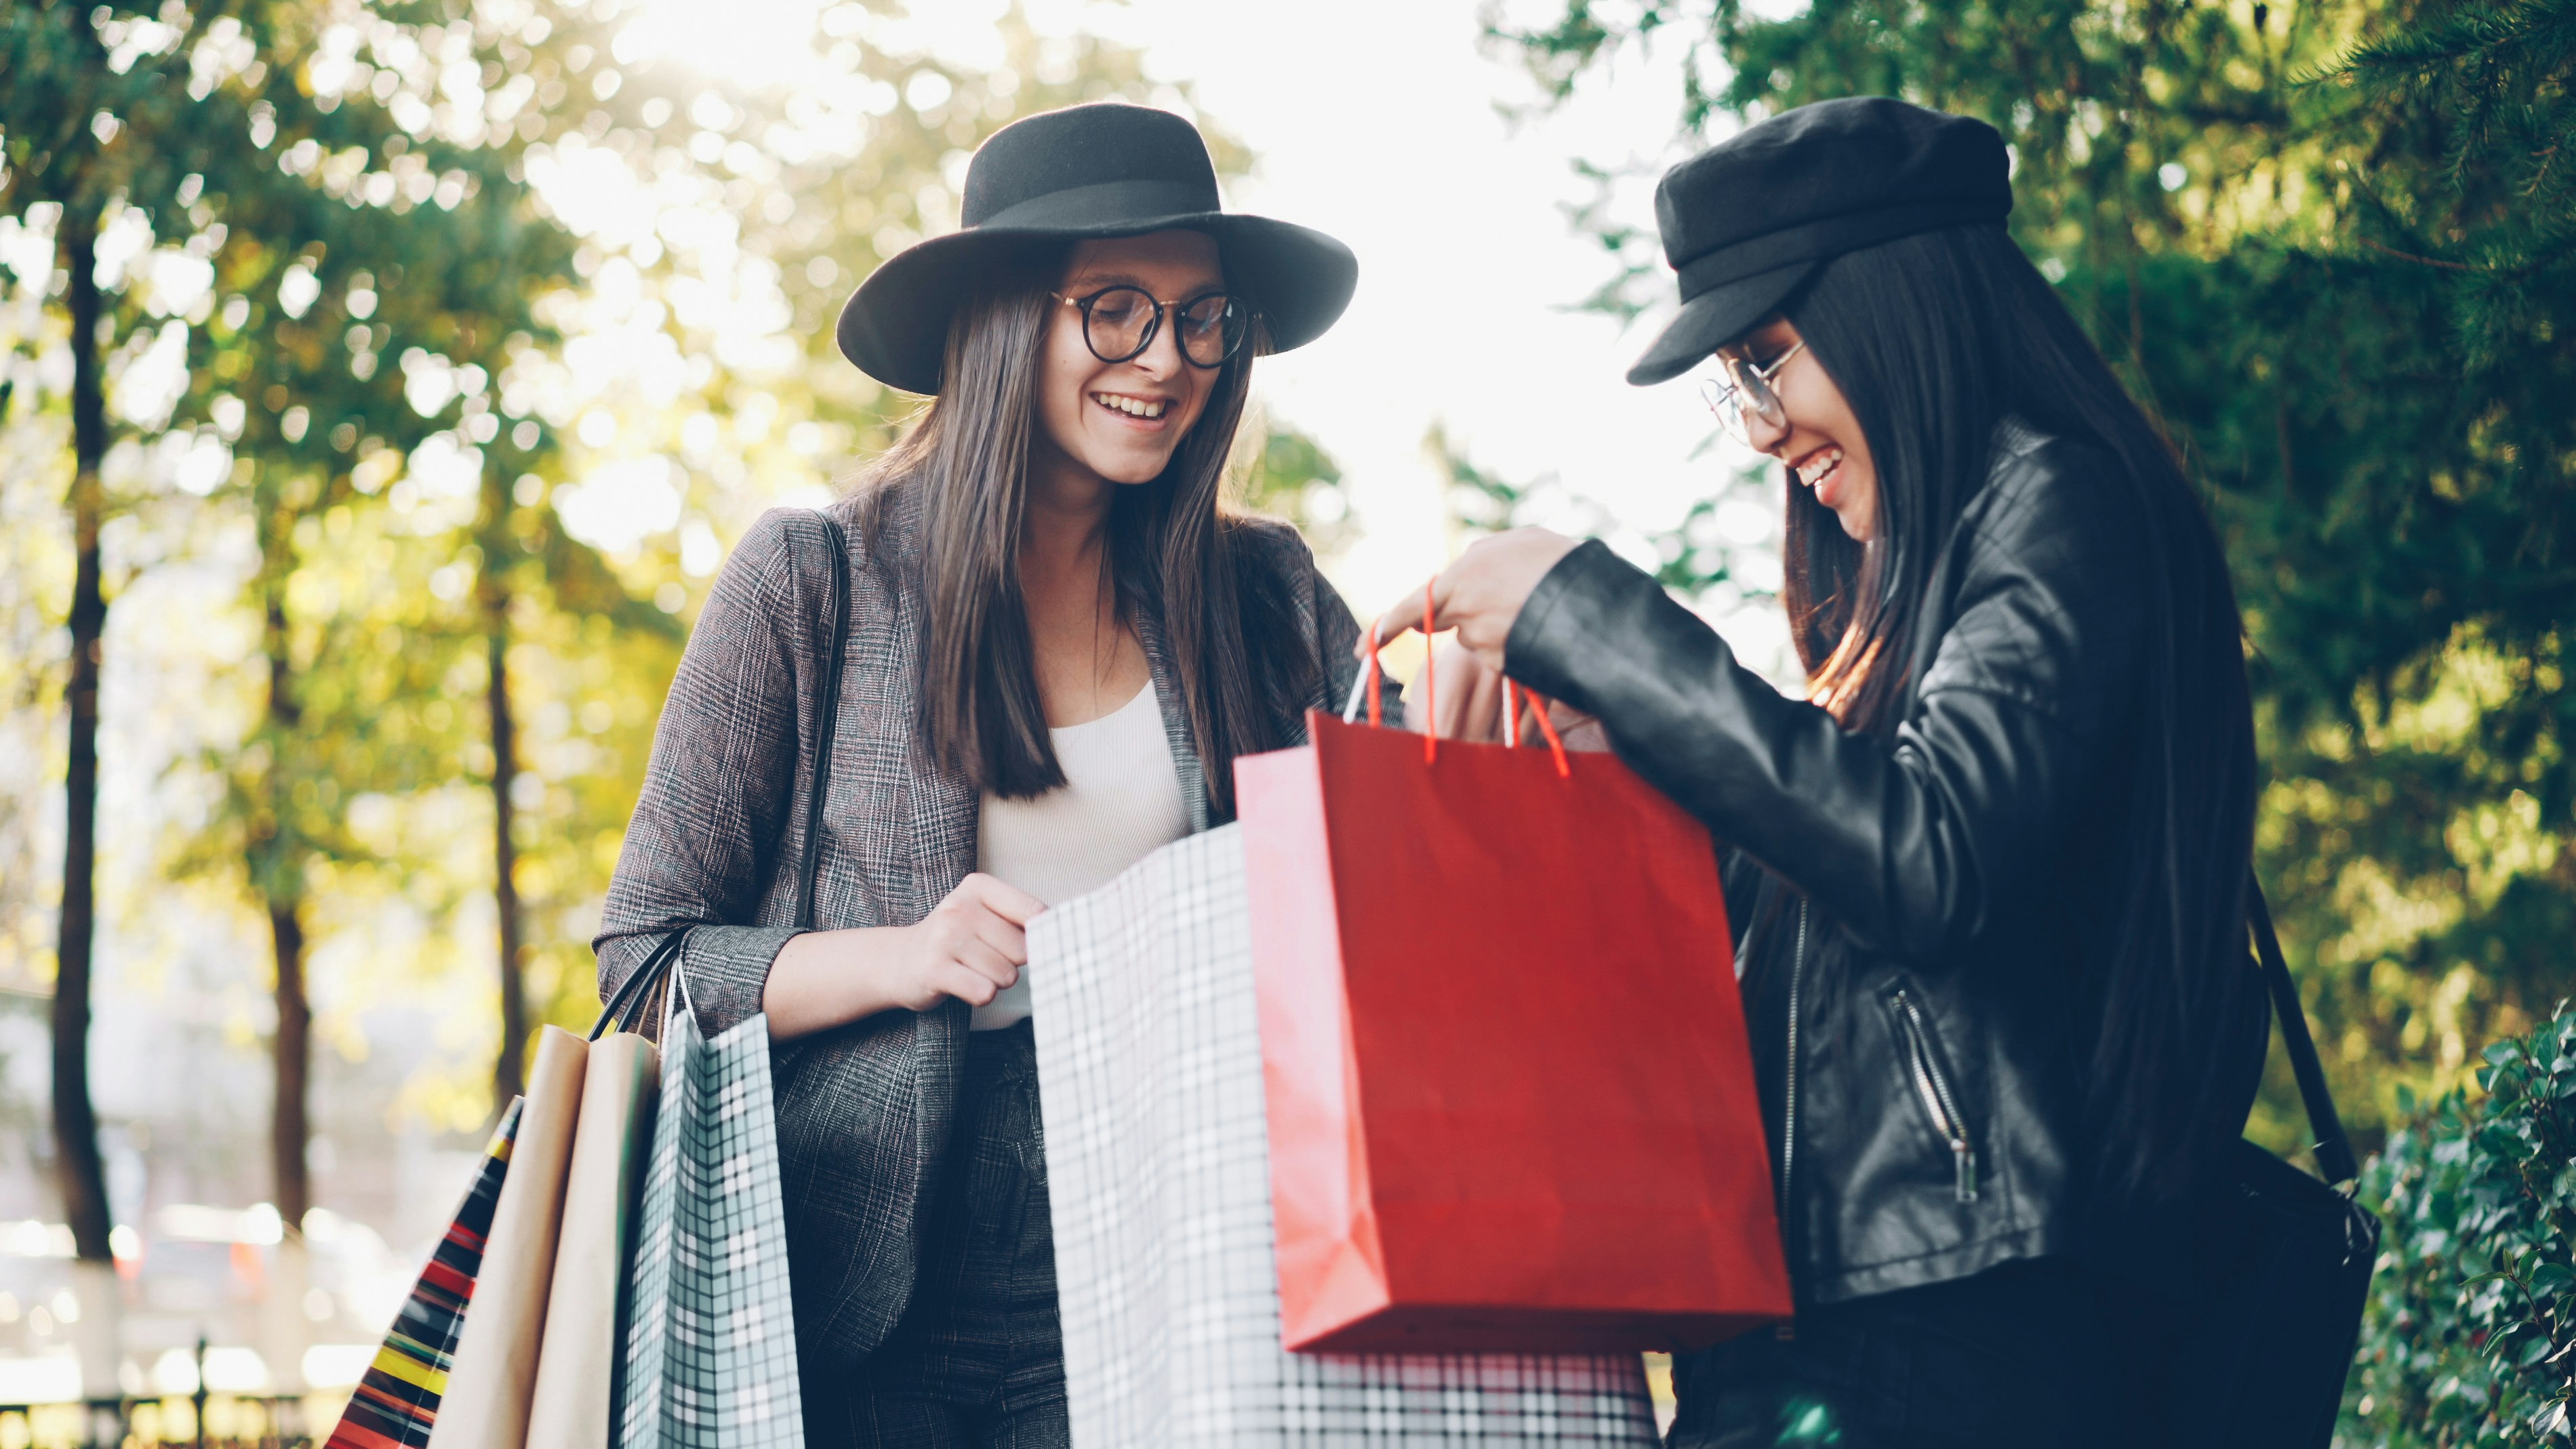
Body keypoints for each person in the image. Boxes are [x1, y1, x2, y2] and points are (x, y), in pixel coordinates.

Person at [1377, 98, 2267, 1448]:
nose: (1757, 427)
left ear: (1895, 310)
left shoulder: (2056, 504)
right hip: (1822, 1323)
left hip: (1943, 1338)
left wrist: (1595, 620)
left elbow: (1929, 860)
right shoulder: (1906, 595)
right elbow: (1840, 924)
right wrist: (1622, 747)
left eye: (1767, 359)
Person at [595, 102, 1368, 1448]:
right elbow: (646, 963)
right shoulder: (809, 581)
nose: (1169, 359)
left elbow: (1404, 862)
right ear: (1005, 314)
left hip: (1171, 1247)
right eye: (1116, 309)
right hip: (856, 1277)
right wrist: (901, 957)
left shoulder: (1263, 594)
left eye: (1203, 318)